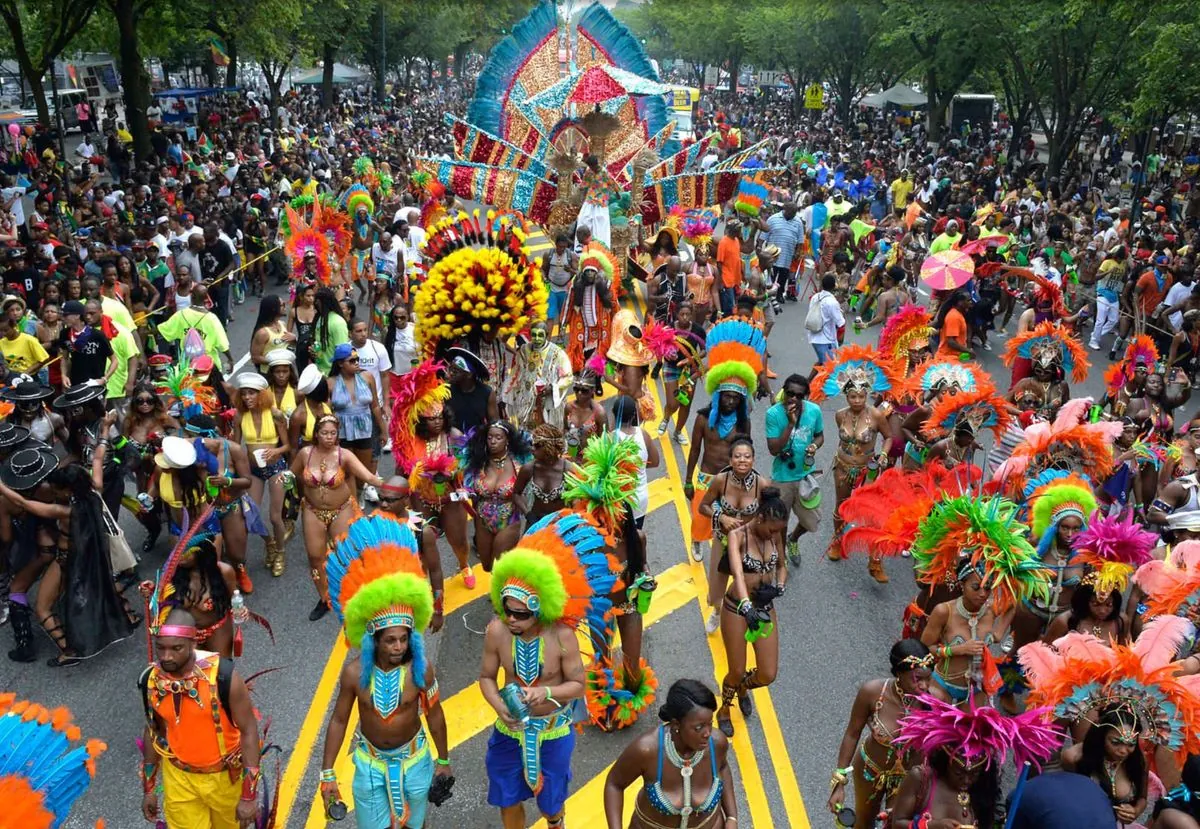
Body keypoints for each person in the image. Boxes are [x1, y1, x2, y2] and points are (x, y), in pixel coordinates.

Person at [319, 514, 452, 829]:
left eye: (404, 639)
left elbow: (434, 713)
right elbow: (339, 719)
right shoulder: (353, 674)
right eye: (390, 640)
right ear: (373, 641)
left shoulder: (421, 670)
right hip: (369, 764)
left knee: (413, 826)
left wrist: (443, 762)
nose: (398, 646)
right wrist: (327, 774)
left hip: (415, 760)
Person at [480, 511, 612, 829]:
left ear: (539, 612)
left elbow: (578, 685)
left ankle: (555, 822)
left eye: (520, 614)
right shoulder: (496, 631)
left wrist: (545, 691)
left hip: (553, 732)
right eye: (506, 609)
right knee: (507, 799)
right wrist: (500, 706)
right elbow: (486, 677)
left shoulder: (561, 635)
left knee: (552, 803)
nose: (511, 618)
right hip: (509, 733)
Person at [139, 608, 262, 829]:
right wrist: (148, 788)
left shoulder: (224, 678)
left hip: (224, 780)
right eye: (161, 648)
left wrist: (248, 796)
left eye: (176, 648)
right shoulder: (150, 680)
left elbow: (249, 731)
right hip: (178, 779)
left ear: (193, 643)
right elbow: (153, 730)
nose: (167, 656)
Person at [888, 693, 1061, 829]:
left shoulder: (984, 790)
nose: (966, 780)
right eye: (958, 773)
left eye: (974, 774)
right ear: (945, 763)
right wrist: (931, 826)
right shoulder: (921, 778)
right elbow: (898, 823)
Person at [602, 678, 738, 829]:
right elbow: (614, 784)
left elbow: (723, 767)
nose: (707, 733)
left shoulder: (717, 743)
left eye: (710, 724)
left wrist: (732, 817)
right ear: (676, 725)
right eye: (699, 727)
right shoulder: (646, 750)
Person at [827, 641, 933, 828]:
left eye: (928, 679)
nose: (924, 686)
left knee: (895, 824)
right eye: (917, 678)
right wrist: (839, 782)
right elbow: (852, 733)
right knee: (864, 822)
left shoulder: (935, 702)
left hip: (908, 778)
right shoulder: (873, 692)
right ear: (899, 673)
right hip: (870, 770)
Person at [811, 345, 896, 580]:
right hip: (843, 466)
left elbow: (889, 437)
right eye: (852, 396)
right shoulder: (840, 414)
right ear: (846, 396)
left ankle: (875, 560)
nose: (857, 400)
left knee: (873, 514)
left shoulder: (877, 415)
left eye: (861, 396)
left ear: (867, 394)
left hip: (867, 470)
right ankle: (837, 542)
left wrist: (884, 454)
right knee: (841, 506)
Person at [291, 414, 385, 620]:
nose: (329, 437)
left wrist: (391, 486)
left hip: (341, 509)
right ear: (316, 434)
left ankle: (355, 595)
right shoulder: (305, 453)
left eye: (333, 433)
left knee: (346, 554)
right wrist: (283, 483)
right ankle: (325, 598)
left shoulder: (345, 455)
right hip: (312, 511)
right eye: (324, 433)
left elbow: (368, 476)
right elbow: (291, 475)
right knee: (315, 558)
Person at [713, 486, 788, 738]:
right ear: (760, 518)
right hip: (737, 609)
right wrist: (746, 606)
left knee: (768, 673)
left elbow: (782, 566)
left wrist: (778, 588)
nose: (774, 535)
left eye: (778, 531)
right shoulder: (739, 536)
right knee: (735, 670)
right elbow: (737, 573)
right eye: (771, 529)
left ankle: (743, 688)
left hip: (765, 608)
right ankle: (724, 709)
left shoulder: (775, 534)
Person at [232, 372, 291, 577]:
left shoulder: (275, 415)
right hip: (253, 469)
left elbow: (288, 446)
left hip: (276, 468)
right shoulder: (239, 416)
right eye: (244, 394)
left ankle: (281, 554)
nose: (247, 397)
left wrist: (275, 451)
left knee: (275, 516)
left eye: (252, 393)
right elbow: (235, 445)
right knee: (251, 513)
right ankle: (270, 543)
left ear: (261, 395)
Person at [765, 373, 823, 567]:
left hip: (805, 475)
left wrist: (814, 446)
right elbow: (773, 450)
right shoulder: (773, 414)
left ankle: (793, 539)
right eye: (790, 393)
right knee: (780, 521)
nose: (793, 399)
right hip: (783, 477)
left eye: (799, 396)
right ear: (784, 391)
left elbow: (819, 436)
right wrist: (790, 423)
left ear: (806, 396)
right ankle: (781, 559)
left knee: (811, 521)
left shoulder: (814, 411)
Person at [1060, 705, 1149, 824]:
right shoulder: (1074, 757)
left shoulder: (1138, 760)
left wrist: (1135, 811)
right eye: (1115, 742)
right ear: (1101, 735)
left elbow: (1142, 798)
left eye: (1131, 744)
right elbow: (1065, 796)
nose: (1123, 751)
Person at [464, 420, 531, 573]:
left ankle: (502, 596)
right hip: (482, 521)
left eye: (498, 438)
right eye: (490, 437)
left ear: (507, 440)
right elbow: (466, 485)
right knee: (487, 566)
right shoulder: (478, 461)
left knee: (499, 566)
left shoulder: (519, 463)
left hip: (508, 520)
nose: (493, 441)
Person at [328, 342, 387, 500]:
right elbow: (327, 412)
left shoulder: (367, 377)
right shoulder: (331, 382)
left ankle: (359, 494)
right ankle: (350, 503)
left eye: (357, 359)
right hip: (342, 433)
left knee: (363, 472)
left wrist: (383, 430)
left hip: (365, 431)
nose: (356, 363)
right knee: (346, 472)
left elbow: (375, 406)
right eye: (351, 361)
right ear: (340, 363)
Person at [504, 320, 573, 429]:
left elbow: (568, 377)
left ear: (547, 335)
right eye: (534, 335)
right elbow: (516, 372)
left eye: (540, 335)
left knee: (547, 433)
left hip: (547, 403)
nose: (536, 339)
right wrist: (509, 394)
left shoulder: (558, 353)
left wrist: (553, 387)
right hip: (526, 401)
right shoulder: (524, 350)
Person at [514, 424, 577, 526]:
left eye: (538, 445)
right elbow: (516, 493)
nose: (532, 448)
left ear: (550, 447)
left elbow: (577, 498)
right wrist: (528, 514)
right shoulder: (528, 468)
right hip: (535, 522)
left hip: (561, 523)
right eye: (532, 444)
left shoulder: (569, 469)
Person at [806, 273, 844, 367]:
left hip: (814, 336)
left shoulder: (816, 297)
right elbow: (841, 323)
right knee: (829, 367)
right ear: (834, 286)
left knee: (822, 363)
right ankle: (812, 381)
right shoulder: (832, 302)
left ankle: (808, 381)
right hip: (825, 339)